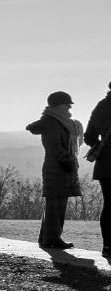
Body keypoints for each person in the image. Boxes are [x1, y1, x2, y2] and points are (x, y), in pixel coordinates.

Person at [25, 91, 83, 249]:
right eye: (66, 103)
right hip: (57, 167)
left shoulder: (58, 121)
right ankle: (52, 239)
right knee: (55, 205)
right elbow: (54, 145)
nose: (70, 106)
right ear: (57, 105)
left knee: (57, 203)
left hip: (59, 166)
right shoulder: (53, 122)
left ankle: (48, 238)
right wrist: (68, 160)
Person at [86, 82, 111, 252]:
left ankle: (108, 244)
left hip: (106, 163)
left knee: (109, 204)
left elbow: (89, 137)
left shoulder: (101, 106)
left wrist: (103, 145)